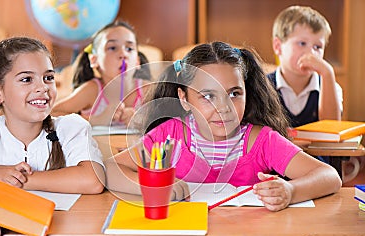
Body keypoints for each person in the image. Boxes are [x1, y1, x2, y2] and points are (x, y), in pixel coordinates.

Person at [104, 41, 342, 212]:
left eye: (234, 93)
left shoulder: (262, 141)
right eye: (207, 96)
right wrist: (154, 186)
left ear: (247, 93)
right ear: (184, 99)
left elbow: (329, 176)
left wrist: (290, 191)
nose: (224, 107)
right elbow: (110, 170)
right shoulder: (170, 135)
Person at [0, 37, 105, 194]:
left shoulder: (70, 129)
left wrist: (16, 181)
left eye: (48, 78)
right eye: (27, 79)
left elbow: (93, 180)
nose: (43, 87)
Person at [52, 20, 149, 126]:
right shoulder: (92, 91)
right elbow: (52, 114)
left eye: (129, 48)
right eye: (112, 48)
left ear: (137, 61)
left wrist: (143, 119)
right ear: (94, 60)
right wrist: (96, 119)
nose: (123, 54)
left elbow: (168, 120)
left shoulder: (148, 90)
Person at [267, 5, 342, 128]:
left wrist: (328, 73)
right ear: (278, 46)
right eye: (302, 43)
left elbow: (331, 130)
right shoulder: (263, 86)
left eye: (317, 47)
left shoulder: (330, 86)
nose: (311, 53)